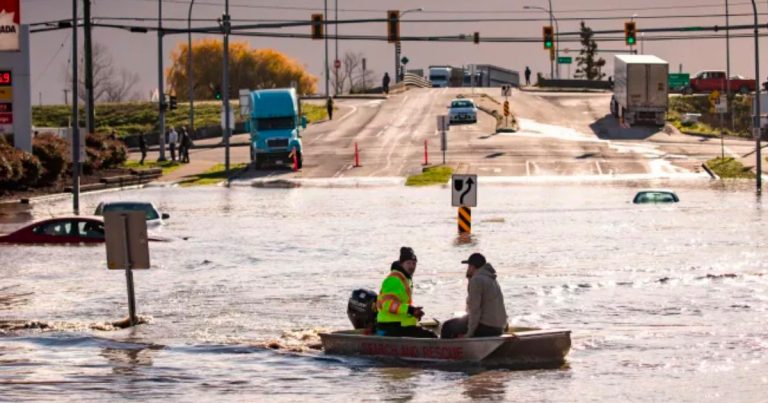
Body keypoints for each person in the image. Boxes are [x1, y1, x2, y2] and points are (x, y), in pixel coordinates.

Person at [440, 253, 508, 339]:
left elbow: (474, 310)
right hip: (499, 327)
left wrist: (469, 333)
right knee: (460, 324)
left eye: (468, 266)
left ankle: (446, 347)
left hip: (487, 327)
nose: (467, 269)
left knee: (447, 326)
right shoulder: (491, 279)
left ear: (472, 267)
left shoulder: (476, 280)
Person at [375, 247, 436, 338]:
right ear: (401, 264)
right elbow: (387, 304)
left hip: (400, 325)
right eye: (408, 263)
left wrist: (414, 312)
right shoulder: (394, 279)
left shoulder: (405, 278)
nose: (412, 266)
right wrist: (410, 310)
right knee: (431, 336)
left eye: (414, 263)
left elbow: (402, 304)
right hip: (391, 327)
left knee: (429, 334)